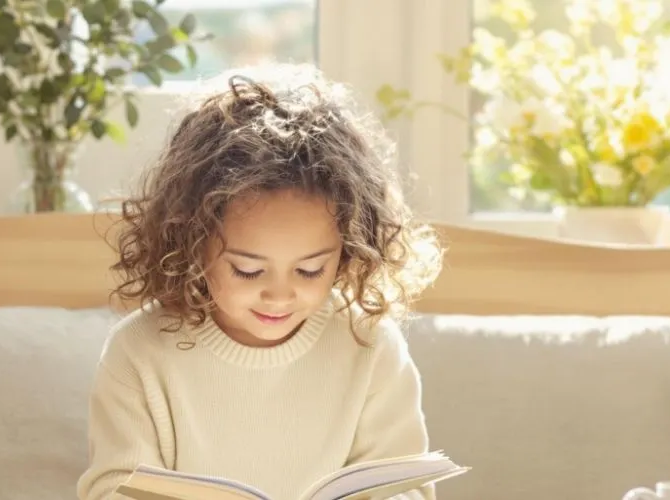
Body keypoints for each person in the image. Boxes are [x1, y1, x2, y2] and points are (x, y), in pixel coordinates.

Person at [77, 63, 444, 500]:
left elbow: (408, 490)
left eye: (311, 270)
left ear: (347, 250)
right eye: (248, 270)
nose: (280, 294)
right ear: (192, 243)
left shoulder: (369, 345)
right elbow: (110, 488)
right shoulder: (139, 351)